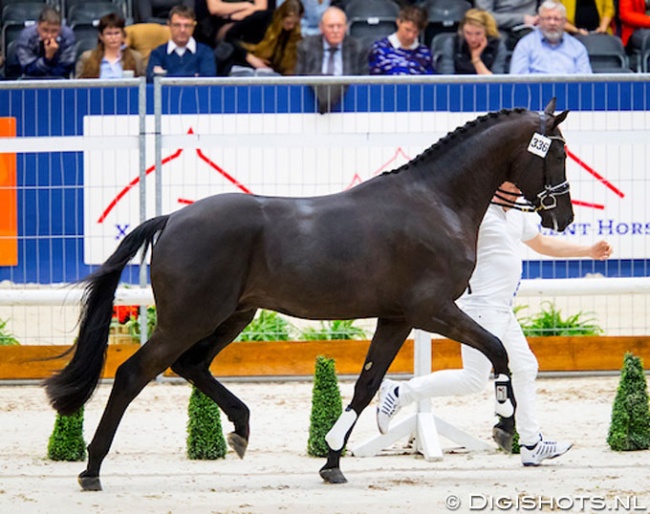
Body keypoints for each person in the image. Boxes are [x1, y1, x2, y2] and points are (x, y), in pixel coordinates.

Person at [376, 181, 613, 466]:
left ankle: (531, 443)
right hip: (481, 310)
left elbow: (543, 243)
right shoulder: (478, 212)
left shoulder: (517, 214)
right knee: (474, 380)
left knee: (526, 367)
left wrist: (587, 251)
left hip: (503, 310)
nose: (516, 189)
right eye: (510, 183)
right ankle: (399, 392)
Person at [509, 1, 592, 74]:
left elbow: (585, 83)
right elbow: (517, 81)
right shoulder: (525, 46)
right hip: (535, 91)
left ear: (564, 22)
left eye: (556, 19)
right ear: (540, 21)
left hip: (568, 91)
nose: (552, 23)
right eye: (547, 18)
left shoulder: (577, 48)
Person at [227, 0, 304, 76]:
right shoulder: (261, 18)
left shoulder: (293, 34)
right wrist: (248, 57)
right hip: (244, 63)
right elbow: (230, 37)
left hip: (269, 70)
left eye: (295, 23)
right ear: (281, 16)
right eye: (288, 23)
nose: (291, 27)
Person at [146, 5, 217, 81]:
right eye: (177, 25)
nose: (182, 30)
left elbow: (208, 80)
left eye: (187, 25)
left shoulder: (205, 52)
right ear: (169, 25)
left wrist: (166, 77)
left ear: (193, 26)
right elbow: (152, 80)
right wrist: (194, 76)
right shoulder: (157, 53)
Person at [295, 6, 368, 75]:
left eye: (339, 26)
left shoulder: (358, 49)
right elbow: (299, 82)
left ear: (346, 27)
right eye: (331, 26)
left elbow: (363, 83)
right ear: (321, 27)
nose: (335, 31)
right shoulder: (306, 47)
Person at [368, 5, 435, 75]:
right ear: (398, 22)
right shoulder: (380, 49)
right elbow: (374, 80)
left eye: (415, 32)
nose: (410, 36)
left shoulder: (425, 53)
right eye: (407, 30)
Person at [438, 8, 507, 75]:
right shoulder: (452, 44)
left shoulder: (497, 46)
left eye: (478, 33)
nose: (473, 39)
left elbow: (495, 83)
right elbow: (447, 79)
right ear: (462, 31)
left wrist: (476, 60)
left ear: (487, 32)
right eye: (468, 33)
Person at [76, 13, 145, 79]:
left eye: (117, 33)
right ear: (101, 36)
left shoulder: (136, 57)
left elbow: (143, 83)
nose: (113, 37)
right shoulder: (87, 57)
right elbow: (77, 85)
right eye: (109, 34)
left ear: (123, 35)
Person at [15, 6, 76, 79]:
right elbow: (28, 69)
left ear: (60, 28)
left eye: (54, 31)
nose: (49, 36)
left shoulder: (67, 36)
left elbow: (66, 67)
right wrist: (47, 58)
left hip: (58, 80)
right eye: (45, 30)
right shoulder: (27, 36)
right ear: (38, 26)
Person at [194, 0, 274, 48]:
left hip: (251, 21)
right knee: (232, 34)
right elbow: (214, 8)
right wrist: (246, 5)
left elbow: (261, 8)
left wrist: (242, 14)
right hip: (220, 24)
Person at [474, 0, 539, 49]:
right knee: (498, 43)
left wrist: (542, 15)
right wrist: (521, 19)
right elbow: (484, 16)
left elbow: (546, 3)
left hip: (532, 22)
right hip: (498, 25)